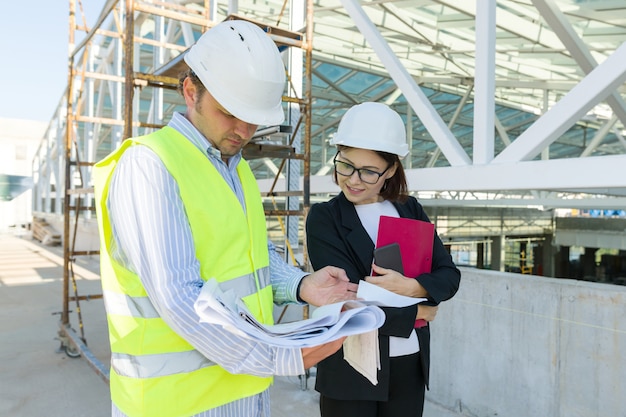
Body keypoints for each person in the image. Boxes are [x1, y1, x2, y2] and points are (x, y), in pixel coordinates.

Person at [93, 20, 358, 417]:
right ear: (190, 91)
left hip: (244, 393)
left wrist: (302, 285)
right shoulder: (149, 166)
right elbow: (180, 298)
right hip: (177, 406)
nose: (242, 130)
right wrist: (279, 358)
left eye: (253, 118)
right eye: (229, 112)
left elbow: (251, 258)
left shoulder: (237, 170)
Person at [306, 102, 461, 417]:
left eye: (369, 171)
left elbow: (449, 275)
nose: (353, 179)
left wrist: (412, 287)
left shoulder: (409, 208)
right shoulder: (325, 218)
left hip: (409, 363)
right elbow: (347, 300)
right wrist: (418, 310)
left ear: (391, 170)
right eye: (346, 165)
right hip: (351, 365)